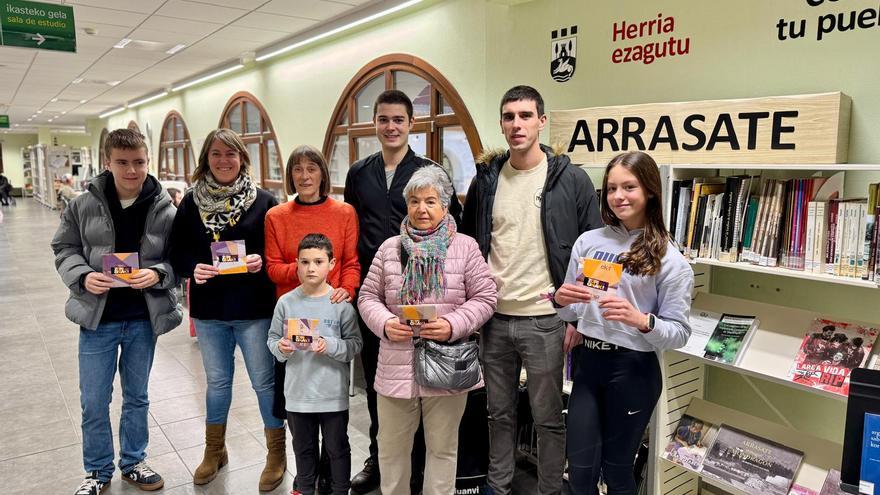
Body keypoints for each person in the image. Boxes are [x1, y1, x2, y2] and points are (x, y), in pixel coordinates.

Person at [460, 85, 602, 495]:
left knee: (547, 418)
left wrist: (575, 318)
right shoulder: (486, 180)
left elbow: (591, 252)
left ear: (542, 121)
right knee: (498, 413)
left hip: (546, 321)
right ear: (502, 124)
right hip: (494, 320)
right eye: (509, 116)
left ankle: (548, 490)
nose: (516, 124)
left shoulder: (570, 180)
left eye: (525, 115)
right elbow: (470, 243)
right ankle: (498, 485)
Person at [51, 128, 182, 495]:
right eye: (122, 163)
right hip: (98, 319)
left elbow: (179, 261)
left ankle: (134, 461)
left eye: (139, 162)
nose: (131, 171)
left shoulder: (166, 209)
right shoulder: (83, 204)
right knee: (94, 399)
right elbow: (64, 248)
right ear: (107, 162)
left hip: (143, 318)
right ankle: (96, 470)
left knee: (137, 396)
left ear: (148, 161)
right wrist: (82, 276)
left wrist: (157, 274)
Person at [554, 150, 693, 495]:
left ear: (649, 191)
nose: (618, 196)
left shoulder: (671, 260)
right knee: (580, 472)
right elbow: (571, 313)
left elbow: (679, 334)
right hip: (588, 365)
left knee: (617, 473)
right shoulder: (589, 242)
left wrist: (642, 320)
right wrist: (561, 302)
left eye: (628, 187)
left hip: (633, 370)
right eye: (612, 188)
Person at [344, 89, 462, 493]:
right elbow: (353, 231)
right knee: (385, 388)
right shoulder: (359, 172)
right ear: (374, 123)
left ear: (411, 124)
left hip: (433, 298)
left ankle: (421, 472)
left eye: (399, 119)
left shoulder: (430, 170)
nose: (391, 126)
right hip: (384, 296)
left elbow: (454, 228)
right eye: (383, 119)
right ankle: (380, 462)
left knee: (432, 389)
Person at [358, 166, 496, 495]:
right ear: (406, 205)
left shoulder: (465, 247)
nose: (422, 209)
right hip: (395, 364)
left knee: (443, 450)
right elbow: (366, 297)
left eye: (431, 201)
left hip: (447, 362)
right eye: (415, 201)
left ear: (445, 206)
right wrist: (386, 324)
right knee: (391, 452)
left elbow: (486, 297)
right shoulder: (389, 248)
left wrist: (452, 324)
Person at [168, 128, 285, 491]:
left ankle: (276, 453)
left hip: (254, 308)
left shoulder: (264, 201)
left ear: (242, 158)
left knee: (264, 383)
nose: (223, 160)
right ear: (206, 158)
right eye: (216, 154)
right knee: (217, 383)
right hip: (210, 310)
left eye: (230, 154)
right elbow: (177, 252)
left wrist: (259, 260)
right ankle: (214, 450)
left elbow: (278, 252)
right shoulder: (190, 203)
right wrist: (193, 267)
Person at [265, 144, 360, 492]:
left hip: (331, 308)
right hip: (294, 314)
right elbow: (274, 268)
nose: (304, 176)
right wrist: (310, 269)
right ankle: (305, 482)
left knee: (334, 432)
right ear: (290, 175)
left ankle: (332, 484)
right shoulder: (276, 216)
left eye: (312, 168)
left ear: (323, 172)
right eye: (297, 169)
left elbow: (350, 262)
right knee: (299, 410)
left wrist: (343, 288)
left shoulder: (344, 212)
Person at [267, 234, 363, 495]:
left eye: (319, 261)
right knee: (303, 449)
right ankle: (306, 489)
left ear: (332, 264)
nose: (311, 268)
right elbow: (273, 340)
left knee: (337, 448)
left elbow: (355, 345)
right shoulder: (286, 303)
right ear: (296, 263)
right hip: (298, 396)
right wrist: (281, 349)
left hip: (332, 396)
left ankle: (340, 490)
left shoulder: (340, 305)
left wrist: (330, 345)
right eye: (305, 262)